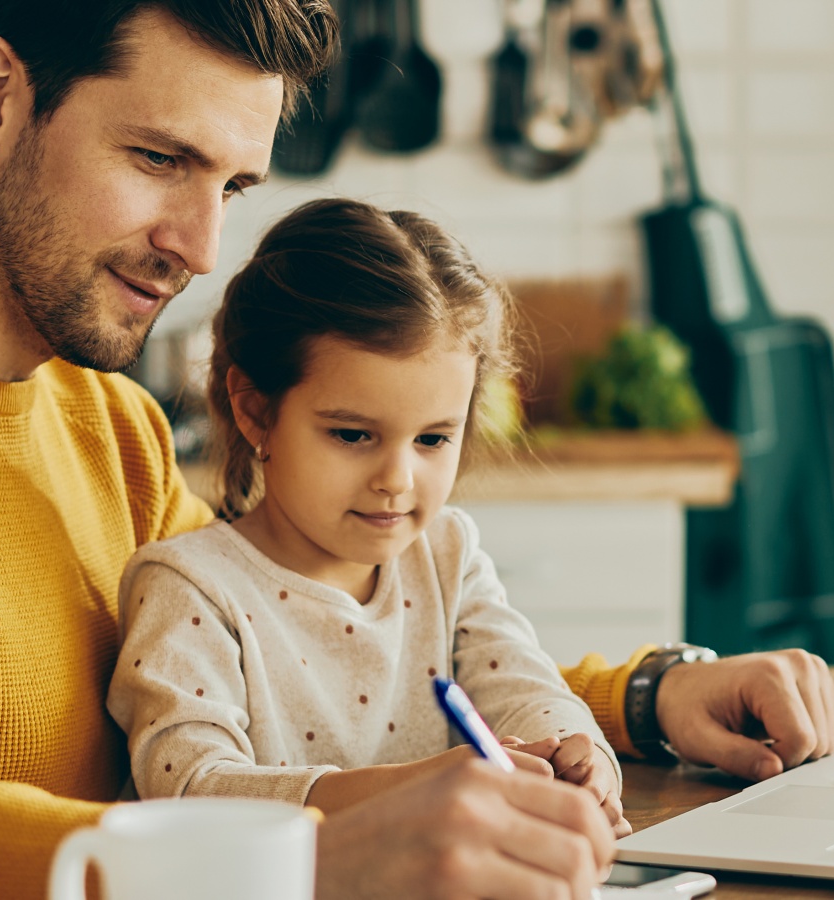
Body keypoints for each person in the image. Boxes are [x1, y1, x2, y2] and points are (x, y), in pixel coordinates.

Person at [0, 3, 834, 899]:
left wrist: (643, 699)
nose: (197, 244)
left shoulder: (100, 421)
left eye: (229, 186)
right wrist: (300, 858)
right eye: (159, 159)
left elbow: (304, 645)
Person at [111, 198, 626, 831]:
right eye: (353, 435)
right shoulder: (191, 588)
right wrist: (410, 789)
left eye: (434, 439)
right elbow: (190, 789)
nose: (397, 480)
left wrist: (578, 753)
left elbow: (523, 689)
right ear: (255, 410)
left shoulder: (447, 557)